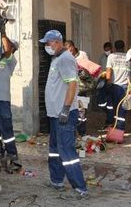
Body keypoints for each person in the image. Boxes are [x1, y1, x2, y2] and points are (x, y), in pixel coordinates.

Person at [39, 30, 88, 198]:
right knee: (54, 149)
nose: (46, 46)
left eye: (48, 43)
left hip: (63, 114)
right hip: (55, 114)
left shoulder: (66, 59)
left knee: (67, 151)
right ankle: (57, 180)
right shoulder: (57, 59)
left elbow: (72, 85)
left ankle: (79, 187)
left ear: (57, 42)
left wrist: (66, 109)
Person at [0, 27, 21, 173]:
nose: (3, 45)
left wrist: (4, 31)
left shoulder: (11, 59)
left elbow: (6, 48)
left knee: (7, 129)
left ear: (12, 48)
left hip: (3, 101)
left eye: (7, 44)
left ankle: (12, 155)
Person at [104, 40, 131, 130]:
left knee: (115, 107)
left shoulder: (111, 56)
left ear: (114, 48)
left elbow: (109, 70)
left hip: (115, 86)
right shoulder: (128, 57)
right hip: (126, 86)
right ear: (124, 47)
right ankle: (120, 127)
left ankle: (117, 126)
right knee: (123, 108)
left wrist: (108, 82)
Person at [96, 42, 113, 114]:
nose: (106, 52)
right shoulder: (102, 57)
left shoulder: (113, 56)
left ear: (111, 49)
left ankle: (110, 109)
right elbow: (99, 66)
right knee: (101, 92)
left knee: (110, 94)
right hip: (103, 78)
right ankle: (103, 108)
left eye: (108, 50)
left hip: (111, 79)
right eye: (105, 50)